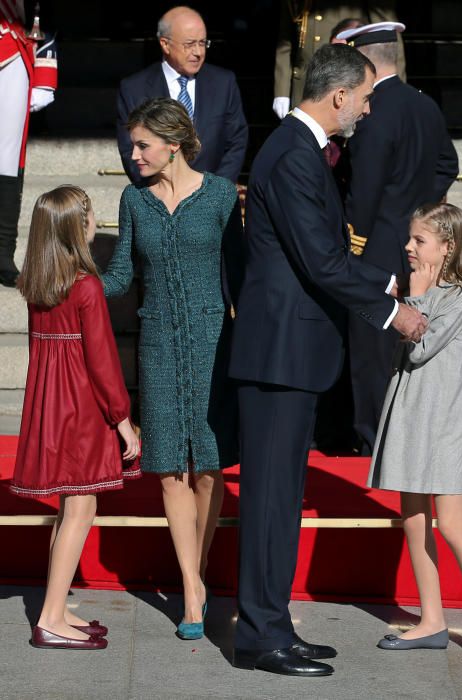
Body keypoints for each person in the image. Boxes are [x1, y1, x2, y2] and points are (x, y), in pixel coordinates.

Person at [229, 43, 427, 678]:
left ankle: (275, 624)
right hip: (278, 354)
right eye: (366, 99)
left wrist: (387, 286)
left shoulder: (300, 151)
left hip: (293, 351)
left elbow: (324, 253)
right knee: (268, 502)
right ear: (339, 95)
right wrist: (390, 308)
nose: (367, 111)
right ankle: (260, 637)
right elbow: (320, 258)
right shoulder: (291, 153)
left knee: (281, 501)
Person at [103, 97, 243, 641]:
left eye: (142, 145)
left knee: (208, 468)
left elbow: (240, 272)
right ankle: (191, 587)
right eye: (132, 144)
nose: (133, 154)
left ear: (173, 143)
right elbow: (120, 275)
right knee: (168, 468)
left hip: (214, 341)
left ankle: (198, 573)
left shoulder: (219, 196)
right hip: (158, 341)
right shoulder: (134, 200)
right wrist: (75, 287)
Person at [368, 203, 462, 668]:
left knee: (450, 522)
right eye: (410, 239)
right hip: (411, 413)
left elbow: (422, 346)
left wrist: (417, 297)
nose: (408, 247)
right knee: (413, 515)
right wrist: (409, 296)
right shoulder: (419, 289)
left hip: (442, 421)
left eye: (419, 240)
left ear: (447, 248)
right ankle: (431, 619)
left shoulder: (457, 296)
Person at [11, 185, 140, 650]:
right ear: (78, 227)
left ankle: (56, 605)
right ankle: (49, 619)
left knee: (68, 509)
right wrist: (122, 419)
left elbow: (37, 353)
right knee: (81, 508)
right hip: (83, 407)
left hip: (51, 401)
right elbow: (103, 362)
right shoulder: (86, 286)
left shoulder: (37, 285)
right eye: (90, 217)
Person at [341, 21, 459, 454]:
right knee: (409, 345)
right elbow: (448, 163)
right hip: (419, 246)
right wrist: (422, 215)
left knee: (371, 350)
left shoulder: (373, 112)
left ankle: (373, 439)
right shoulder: (424, 105)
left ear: (365, 59)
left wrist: (356, 242)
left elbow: (365, 191)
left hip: (375, 245)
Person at [117, 5, 248, 185]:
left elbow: (236, 141)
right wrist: (160, 193)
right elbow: (129, 149)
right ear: (165, 44)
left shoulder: (223, 83)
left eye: (202, 43)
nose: (198, 52)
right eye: (189, 44)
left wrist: (215, 193)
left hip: (213, 197)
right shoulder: (134, 88)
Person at [0, 1, 57, 286]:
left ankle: (2, 253)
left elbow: (43, 11)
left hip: (13, 45)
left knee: (8, 160)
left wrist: (46, 75)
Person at [273, 1, 405, 119]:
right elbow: (285, 40)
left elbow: (389, 35)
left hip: (347, 82)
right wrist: (282, 91)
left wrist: (394, 88)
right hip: (305, 84)